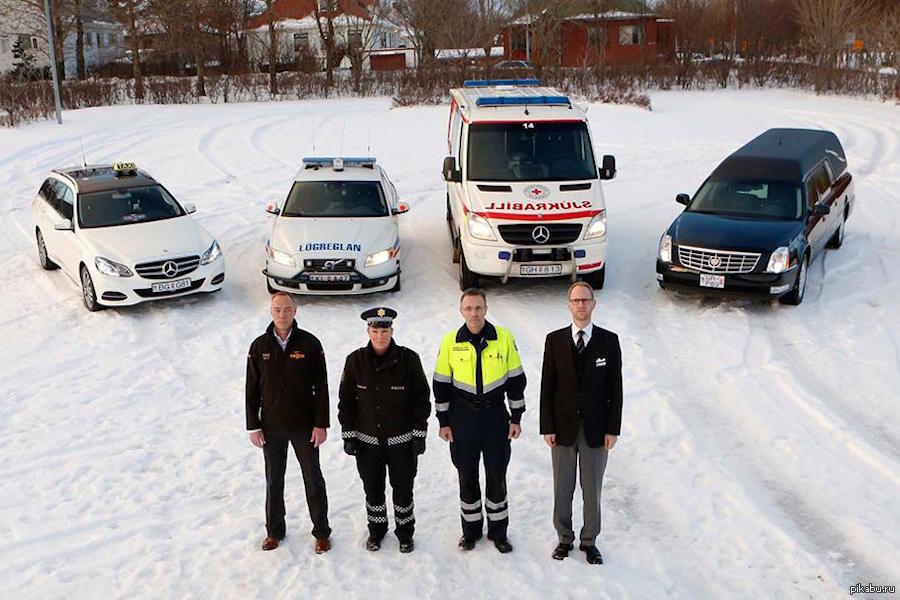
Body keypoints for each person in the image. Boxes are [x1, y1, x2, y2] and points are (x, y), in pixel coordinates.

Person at [433, 288, 526, 553]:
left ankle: (499, 533)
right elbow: (440, 384)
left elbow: (517, 380)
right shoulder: (451, 341)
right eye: (468, 308)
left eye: (478, 308)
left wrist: (516, 416)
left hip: (495, 416)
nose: (474, 313)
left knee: (497, 475)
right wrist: (444, 421)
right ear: (462, 311)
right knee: (467, 476)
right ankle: (470, 532)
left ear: (486, 309)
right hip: (463, 418)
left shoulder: (503, 338)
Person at [540, 281, 622, 565]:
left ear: (593, 304)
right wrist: (547, 426)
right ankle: (564, 538)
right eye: (576, 300)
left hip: (596, 429)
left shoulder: (609, 341)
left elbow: (616, 389)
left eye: (586, 300)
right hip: (562, 428)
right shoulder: (554, 340)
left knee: (592, 488)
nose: (581, 305)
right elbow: (547, 387)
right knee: (563, 486)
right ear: (569, 305)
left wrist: (613, 428)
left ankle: (589, 541)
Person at [338, 307, 431, 553]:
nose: (380, 336)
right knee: (373, 490)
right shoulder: (355, 361)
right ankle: (376, 531)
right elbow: (346, 402)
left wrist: (420, 434)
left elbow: (421, 398)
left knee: (403, 490)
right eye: (375, 330)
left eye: (385, 330)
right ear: (368, 331)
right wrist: (348, 436)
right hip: (367, 444)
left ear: (392, 331)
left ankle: (405, 533)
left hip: (401, 442)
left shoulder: (408, 359)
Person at [245, 291, 332, 554]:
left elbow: (322, 387)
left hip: (304, 426)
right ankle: (274, 532)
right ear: (271, 312)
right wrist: (253, 425)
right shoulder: (259, 347)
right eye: (277, 310)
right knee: (274, 481)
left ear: (295, 311)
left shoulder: (310, 344)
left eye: (287, 310)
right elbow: (251, 389)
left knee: (313, 479)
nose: (282, 315)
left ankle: (321, 532)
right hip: (271, 427)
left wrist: (321, 424)